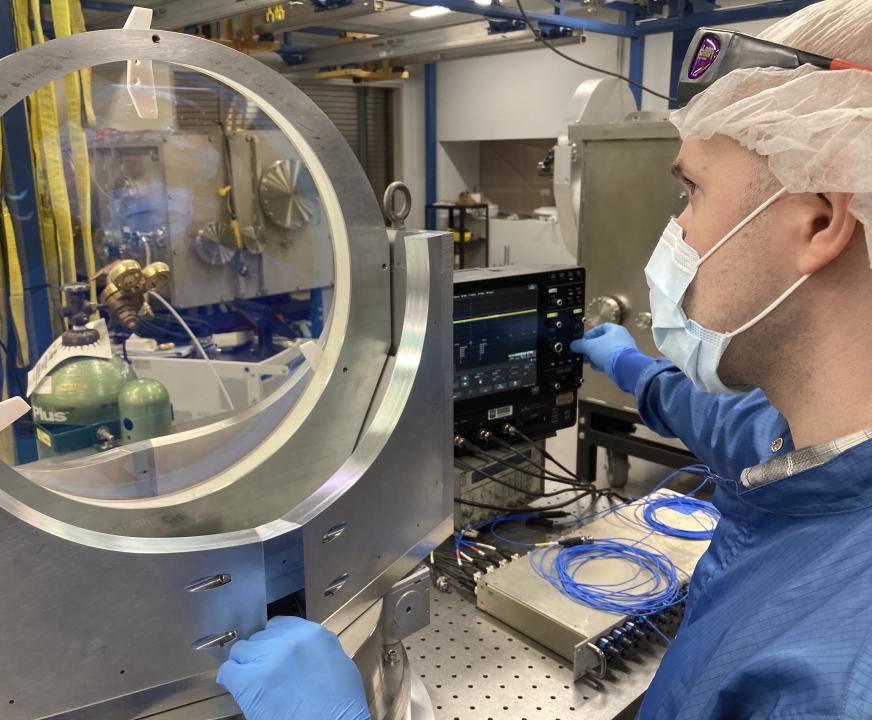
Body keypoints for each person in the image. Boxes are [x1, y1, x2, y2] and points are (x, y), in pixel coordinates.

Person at [215, 1, 872, 717]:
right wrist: (630, 367)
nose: (676, 229)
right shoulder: (806, 449)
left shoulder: (836, 683)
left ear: (820, 219)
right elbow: (720, 421)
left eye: (692, 191)